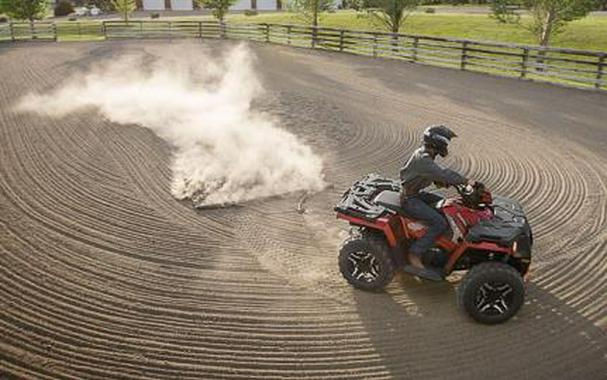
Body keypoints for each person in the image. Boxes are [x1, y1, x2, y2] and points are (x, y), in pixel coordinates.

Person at [399, 125, 471, 281]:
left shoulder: (426, 156)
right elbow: (441, 173)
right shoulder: (423, 158)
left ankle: (435, 246)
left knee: (445, 205)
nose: (446, 147)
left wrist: (446, 183)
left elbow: (434, 175)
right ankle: (415, 254)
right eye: (445, 143)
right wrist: (466, 181)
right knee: (439, 223)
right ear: (437, 143)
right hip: (410, 199)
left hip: (416, 194)